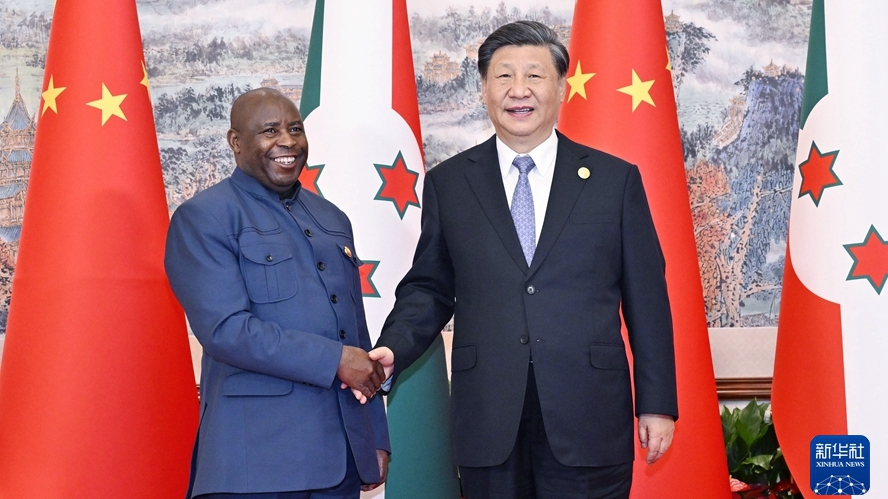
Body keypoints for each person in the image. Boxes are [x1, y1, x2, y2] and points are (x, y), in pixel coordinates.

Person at [368, 21, 677, 499]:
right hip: (489, 418)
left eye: (534, 76)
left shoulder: (614, 181)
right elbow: (430, 285)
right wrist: (393, 347)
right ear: (484, 89)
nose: (519, 91)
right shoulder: (450, 183)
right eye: (503, 76)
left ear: (560, 86)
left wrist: (657, 404)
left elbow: (648, 301)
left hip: (588, 416)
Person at [165, 88, 390, 499]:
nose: (287, 142)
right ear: (236, 143)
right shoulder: (204, 217)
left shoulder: (332, 218)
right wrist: (334, 360)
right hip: (256, 464)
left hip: (339, 462)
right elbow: (226, 330)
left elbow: (355, 338)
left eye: (295, 129)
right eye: (269, 131)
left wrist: (374, 436)